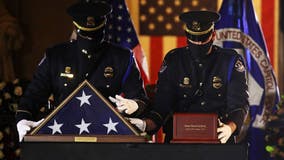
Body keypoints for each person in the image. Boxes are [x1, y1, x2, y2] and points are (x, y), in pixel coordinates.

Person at [15, 1, 149, 142]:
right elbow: (33, 97)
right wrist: (23, 120)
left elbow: (139, 98)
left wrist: (135, 105)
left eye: (94, 35)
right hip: (62, 135)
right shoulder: (56, 56)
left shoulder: (121, 57)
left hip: (107, 136)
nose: (90, 41)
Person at [142, 10, 249, 143]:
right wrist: (145, 124)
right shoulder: (174, 60)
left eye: (203, 38)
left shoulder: (229, 61)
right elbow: (163, 103)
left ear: (213, 35)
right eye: (193, 38)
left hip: (219, 137)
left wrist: (230, 127)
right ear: (187, 36)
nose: (198, 43)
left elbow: (239, 103)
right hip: (178, 139)